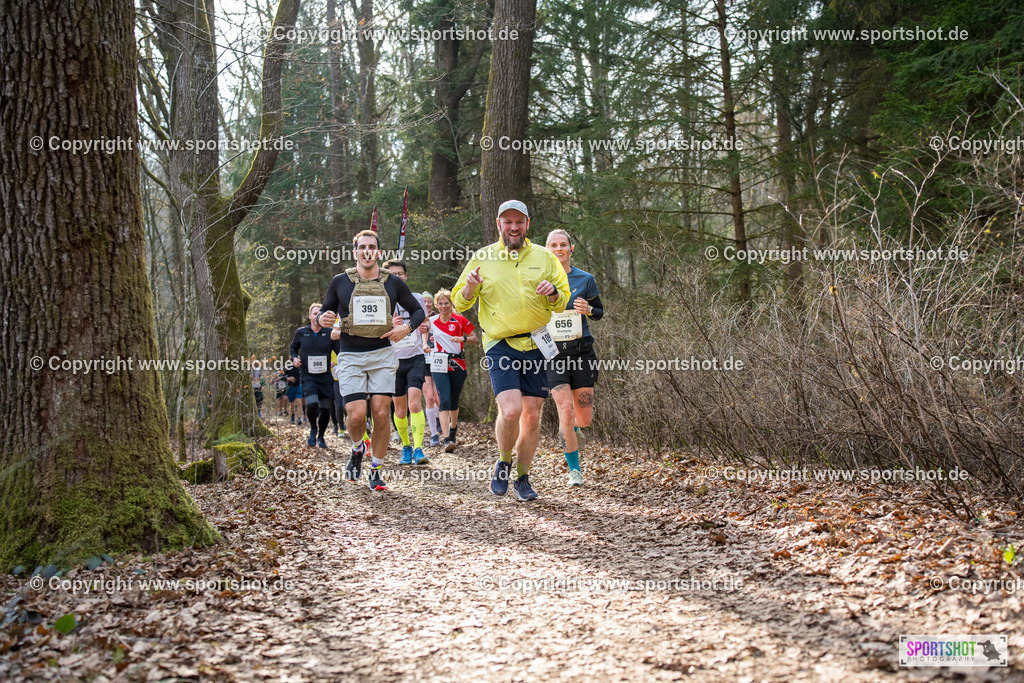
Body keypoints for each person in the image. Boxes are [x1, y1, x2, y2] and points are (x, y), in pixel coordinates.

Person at [453, 200, 570, 501]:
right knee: (511, 410)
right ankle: (504, 459)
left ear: (527, 224)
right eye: (508, 222)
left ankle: (523, 478)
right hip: (500, 342)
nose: (514, 227)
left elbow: (563, 298)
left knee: (532, 415)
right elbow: (459, 303)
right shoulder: (483, 258)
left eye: (519, 221)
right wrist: (469, 288)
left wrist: (554, 293)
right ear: (498, 225)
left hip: (538, 342)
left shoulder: (545, 258)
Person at [317, 230, 425, 491]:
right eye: (362, 247)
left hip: (382, 355)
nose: (367, 251)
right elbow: (324, 311)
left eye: (372, 247)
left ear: (378, 252)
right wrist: (323, 319)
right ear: (355, 252)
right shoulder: (340, 282)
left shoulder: (393, 283)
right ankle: (357, 448)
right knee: (356, 414)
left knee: (380, 413)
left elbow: (418, 311)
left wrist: (406, 329)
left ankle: (376, 470)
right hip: (350, 355)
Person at [544, 229, 603, 486]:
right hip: (553, 355)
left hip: (581, 353)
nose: (559, 249)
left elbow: (599, 311)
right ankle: (575, 472)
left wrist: (589, 309)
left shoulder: (585, 279)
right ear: (547, 250)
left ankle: (575, 428)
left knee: (584, 418)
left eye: (563, 244)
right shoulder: (540, 280)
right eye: (553, 245)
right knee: (565, 411)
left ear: (571, 249)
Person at [383, 259, 430, 465]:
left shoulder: (416, 298)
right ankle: (406, 447)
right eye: (393, 273)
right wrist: (390, 325)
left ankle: (419, 449)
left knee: (414, 404)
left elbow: (425, 320)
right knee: (400, 410)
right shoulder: (382, 299)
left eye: (401, 273)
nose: (398, 276)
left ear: (406, 276)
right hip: (392, 361)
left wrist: (423, 327)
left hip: (415, 358)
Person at [424, 289, 477, 452]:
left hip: (458, 363)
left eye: (446, 303)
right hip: (439, 362)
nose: (443, 306)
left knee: (454, 400)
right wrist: (426, 344)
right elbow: (423, 331)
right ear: (436, 305)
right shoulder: (432, 321)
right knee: (444, 399)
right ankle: (447, 438)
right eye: (440, 304)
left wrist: (464, 338)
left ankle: (453, 429)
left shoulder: (460, 319)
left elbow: (475, 338)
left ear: (451, 304)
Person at [290, 303, 342, 448]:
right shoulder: (301, 332)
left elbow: (339, 351)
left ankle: (321, 436)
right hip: (308, 375)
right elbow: (293, 347)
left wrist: (337, 362)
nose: (316, 316)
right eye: (314, 313)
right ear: (310, 316)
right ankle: (313, 429)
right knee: (312, 404)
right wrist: (294, 358)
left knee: (326, 408)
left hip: (325, 377)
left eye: (320, 313)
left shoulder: (329, 332)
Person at [420, 292, 442, 447]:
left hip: (438, 359)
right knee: (429, 397)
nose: (427, 304)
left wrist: (437, 338)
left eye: (429, 301)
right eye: (424, 301)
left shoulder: (437, 318)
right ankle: (434, 434)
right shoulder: (414, 317)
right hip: (422, 361)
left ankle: (443, 425)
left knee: (439, 398)